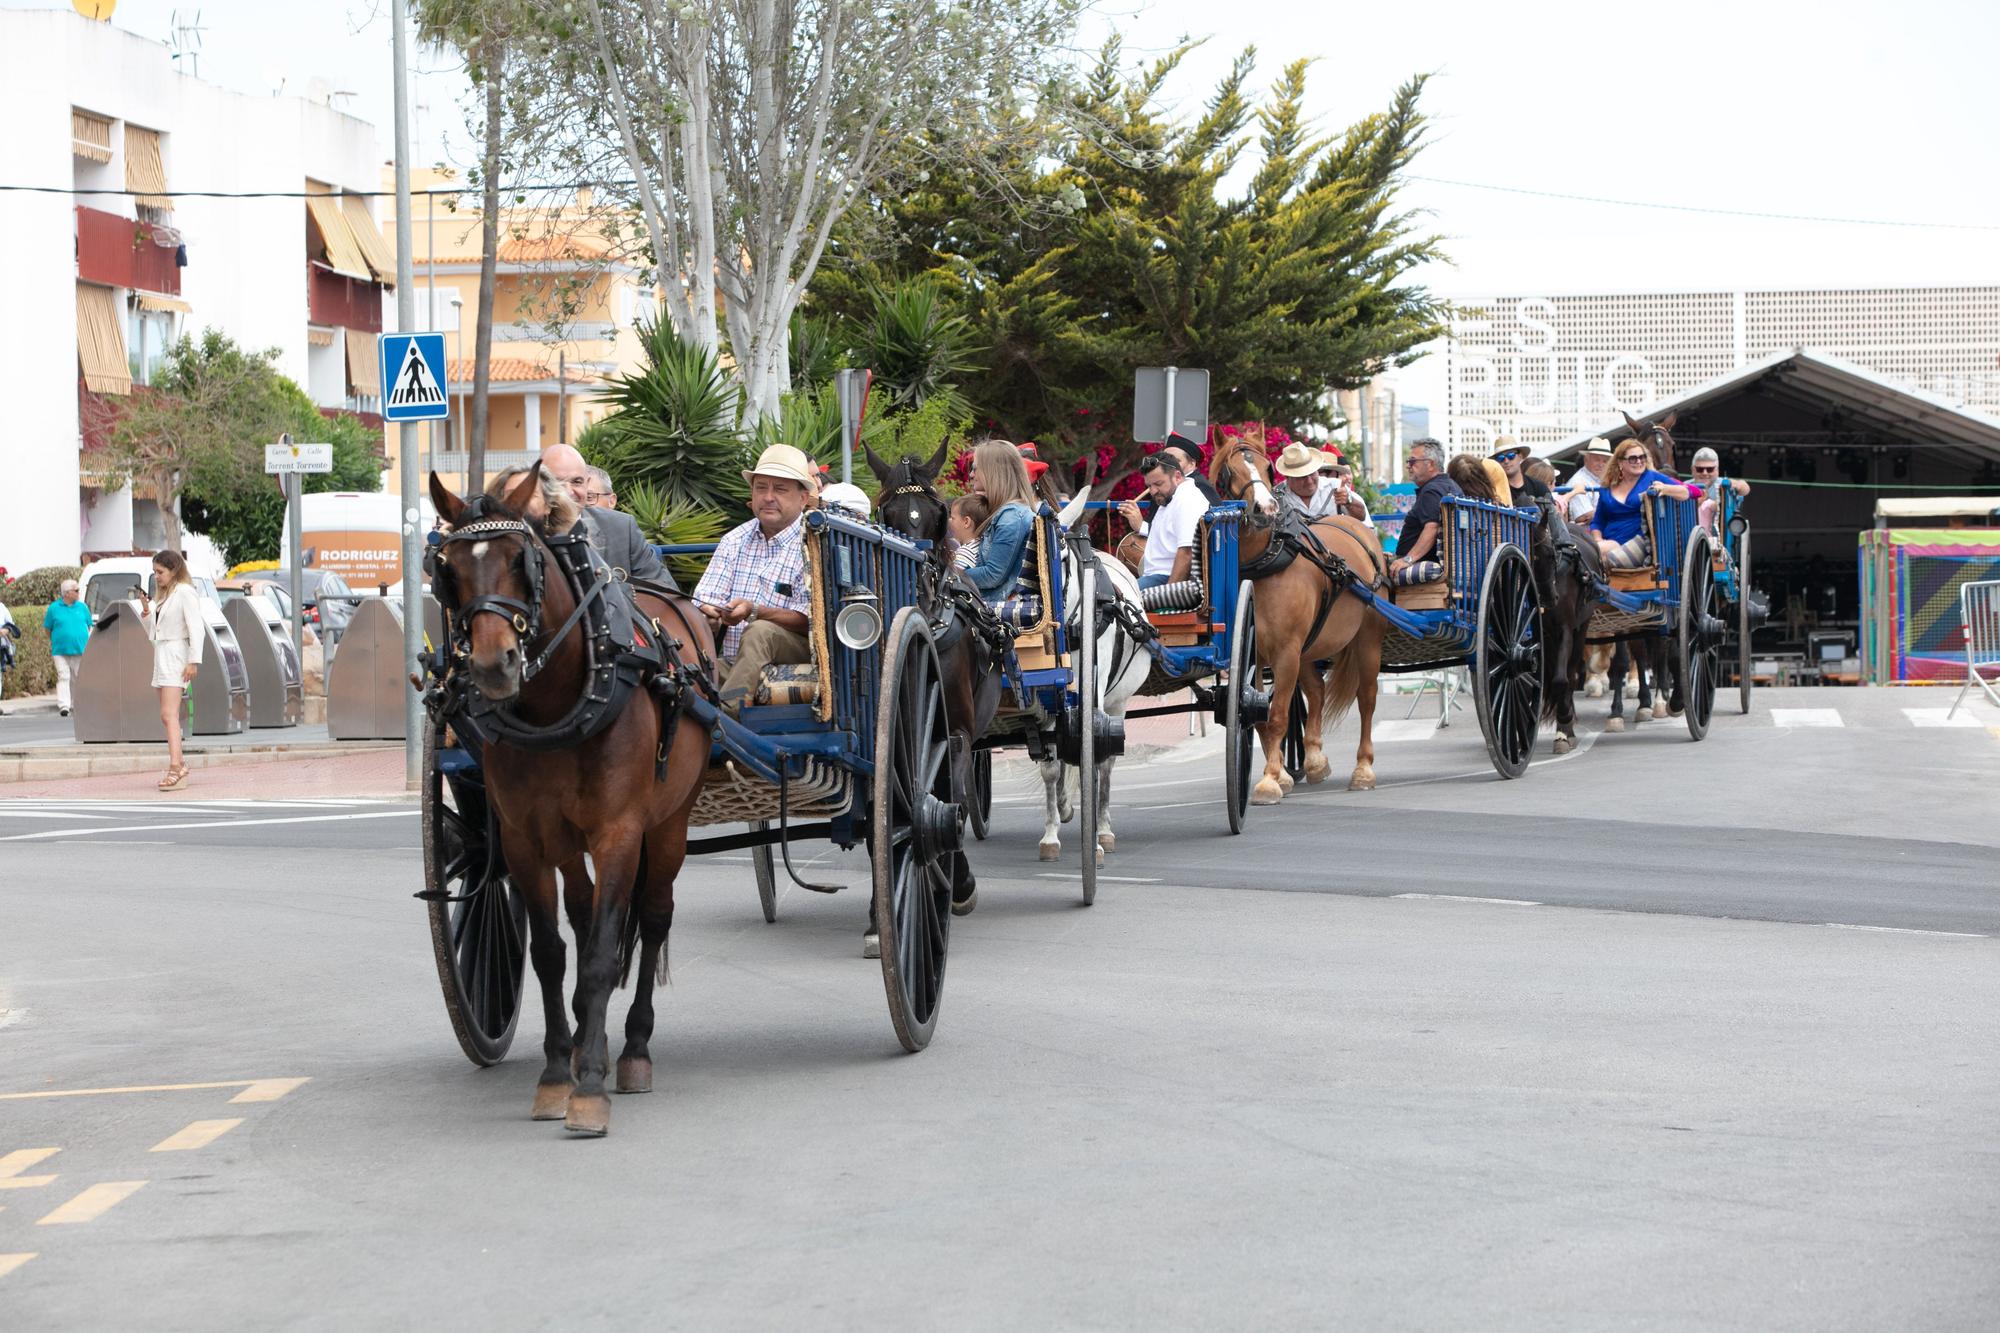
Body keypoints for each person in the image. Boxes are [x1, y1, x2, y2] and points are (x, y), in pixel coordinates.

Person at [692, 444, 817, 709]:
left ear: (803, 498)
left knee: (759, 631)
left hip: (795, 650)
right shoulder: (734, 540)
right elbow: (704, 599)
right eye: (761, 487)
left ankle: (727, 720)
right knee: (684, 674)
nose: (768, 497)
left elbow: (809, 618)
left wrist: (754, 611)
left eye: (780, 489)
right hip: (737, 662)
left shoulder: (813, 545)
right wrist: (709, 615)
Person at [538, 444, 675, 588]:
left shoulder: (621, 529)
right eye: (557, 482)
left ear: (587, 483)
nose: (568, 492)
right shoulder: (522, 532)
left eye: (577, 482)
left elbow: (665, 589)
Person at [137, 550, 203, 791]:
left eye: (161, 572)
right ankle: (178, 764)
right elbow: (154, 633)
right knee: (168, 716)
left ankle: (177, 766)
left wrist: (193, 660)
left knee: (169, 714)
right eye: (154, 572)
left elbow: (197, 627)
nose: (157, 577)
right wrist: (147, 610)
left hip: (176, 655)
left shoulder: (185, 592)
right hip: (163, 654)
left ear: (174, 570)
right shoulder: (164, 596)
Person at [1590, 439, 1695, 567]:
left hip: (1641, 543)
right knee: (1587, 553)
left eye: (1642, 457)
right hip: (1609, 541)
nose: (1639, 461)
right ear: (1620, 462)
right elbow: (1598, 521)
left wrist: (1666, 489)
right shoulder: (1607, 487)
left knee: (1602, 559)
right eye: (1633, 458)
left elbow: (1693, 491)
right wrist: (1598, 540)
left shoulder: (1652, 477)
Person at [1118, 451, 1209, 592]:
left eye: (1158, 483)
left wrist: (1168, 595)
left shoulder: (1187, 500)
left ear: (1177, 477)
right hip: (1156, 577)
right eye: (1149, 486)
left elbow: (1187, 553)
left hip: (1164, 579)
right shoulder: (1170, 497)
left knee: (1112, 601)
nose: (1153, 491)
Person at [960, 441, 1040, 602]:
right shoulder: (1009, 512)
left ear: (992, 472)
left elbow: (992, 576)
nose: (971, 475)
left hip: (992, 615)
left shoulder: (1011, 516)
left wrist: (948, 573)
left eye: (975, 469)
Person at [1390, 438, 1462, 585]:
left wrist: (1407, 559)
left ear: (1429, 464)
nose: (1408, 466)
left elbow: (1432, 528)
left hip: (1423, 562)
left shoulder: (1431, 490)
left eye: (1412, 461)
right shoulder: (1452, 486)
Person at [43, 579, 93, 718]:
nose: (79, 593)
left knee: (78, 677)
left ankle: (76, 703)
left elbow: (88, 626)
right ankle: (64, 705)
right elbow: (48, 629)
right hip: (60, 650)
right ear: (66, 593)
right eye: (76, 590)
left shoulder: (82, 607)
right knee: (63, 676)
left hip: (80, 649)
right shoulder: (54, 608)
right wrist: (56, 640)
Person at [1275, 442, 1347, 521]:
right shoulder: (1276, 497)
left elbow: (1361, 516)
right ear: (1287, 478)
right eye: (1302, 477)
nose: (1309, 481)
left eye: (1312, 473)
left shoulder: (1335, 485)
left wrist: (1349, 502)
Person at [1690, 447, 1750, 534]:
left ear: (1717, 470)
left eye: (1710, 469)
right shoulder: (1684, 487)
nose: (1705, 473)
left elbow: (1745, 488)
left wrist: (1737, 484)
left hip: (1720, 536)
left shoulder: (1723, 485)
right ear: (1692, 470)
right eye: (1700, 469)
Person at [1162, 435, 1222, 505]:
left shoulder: (1199, 485)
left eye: (1175, 461)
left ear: (1191, 464)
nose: (1167, 464)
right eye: (1164, 460)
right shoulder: (1161, 483)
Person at [1563, 438, 1612, 523]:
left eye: (1605, 461)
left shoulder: (1606, 480)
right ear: (1586, 460)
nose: (1601, 464)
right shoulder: (1578, 481)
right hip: (1586, 533)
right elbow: (1584, 516)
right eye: (1597, 460)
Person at [1492, 437, 1550, 508]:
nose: (1506, 461)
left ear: (1520, 456)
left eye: (1511, 455)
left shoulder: (1538, 487)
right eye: (1500, 458)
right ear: (1496, 462)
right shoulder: (1494, 490)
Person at [947, 494, 990, 570]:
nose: (950, 521)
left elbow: (954, 579)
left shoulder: (964, 554)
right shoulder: (980, 547)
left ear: (966, 522)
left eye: (953, 518)